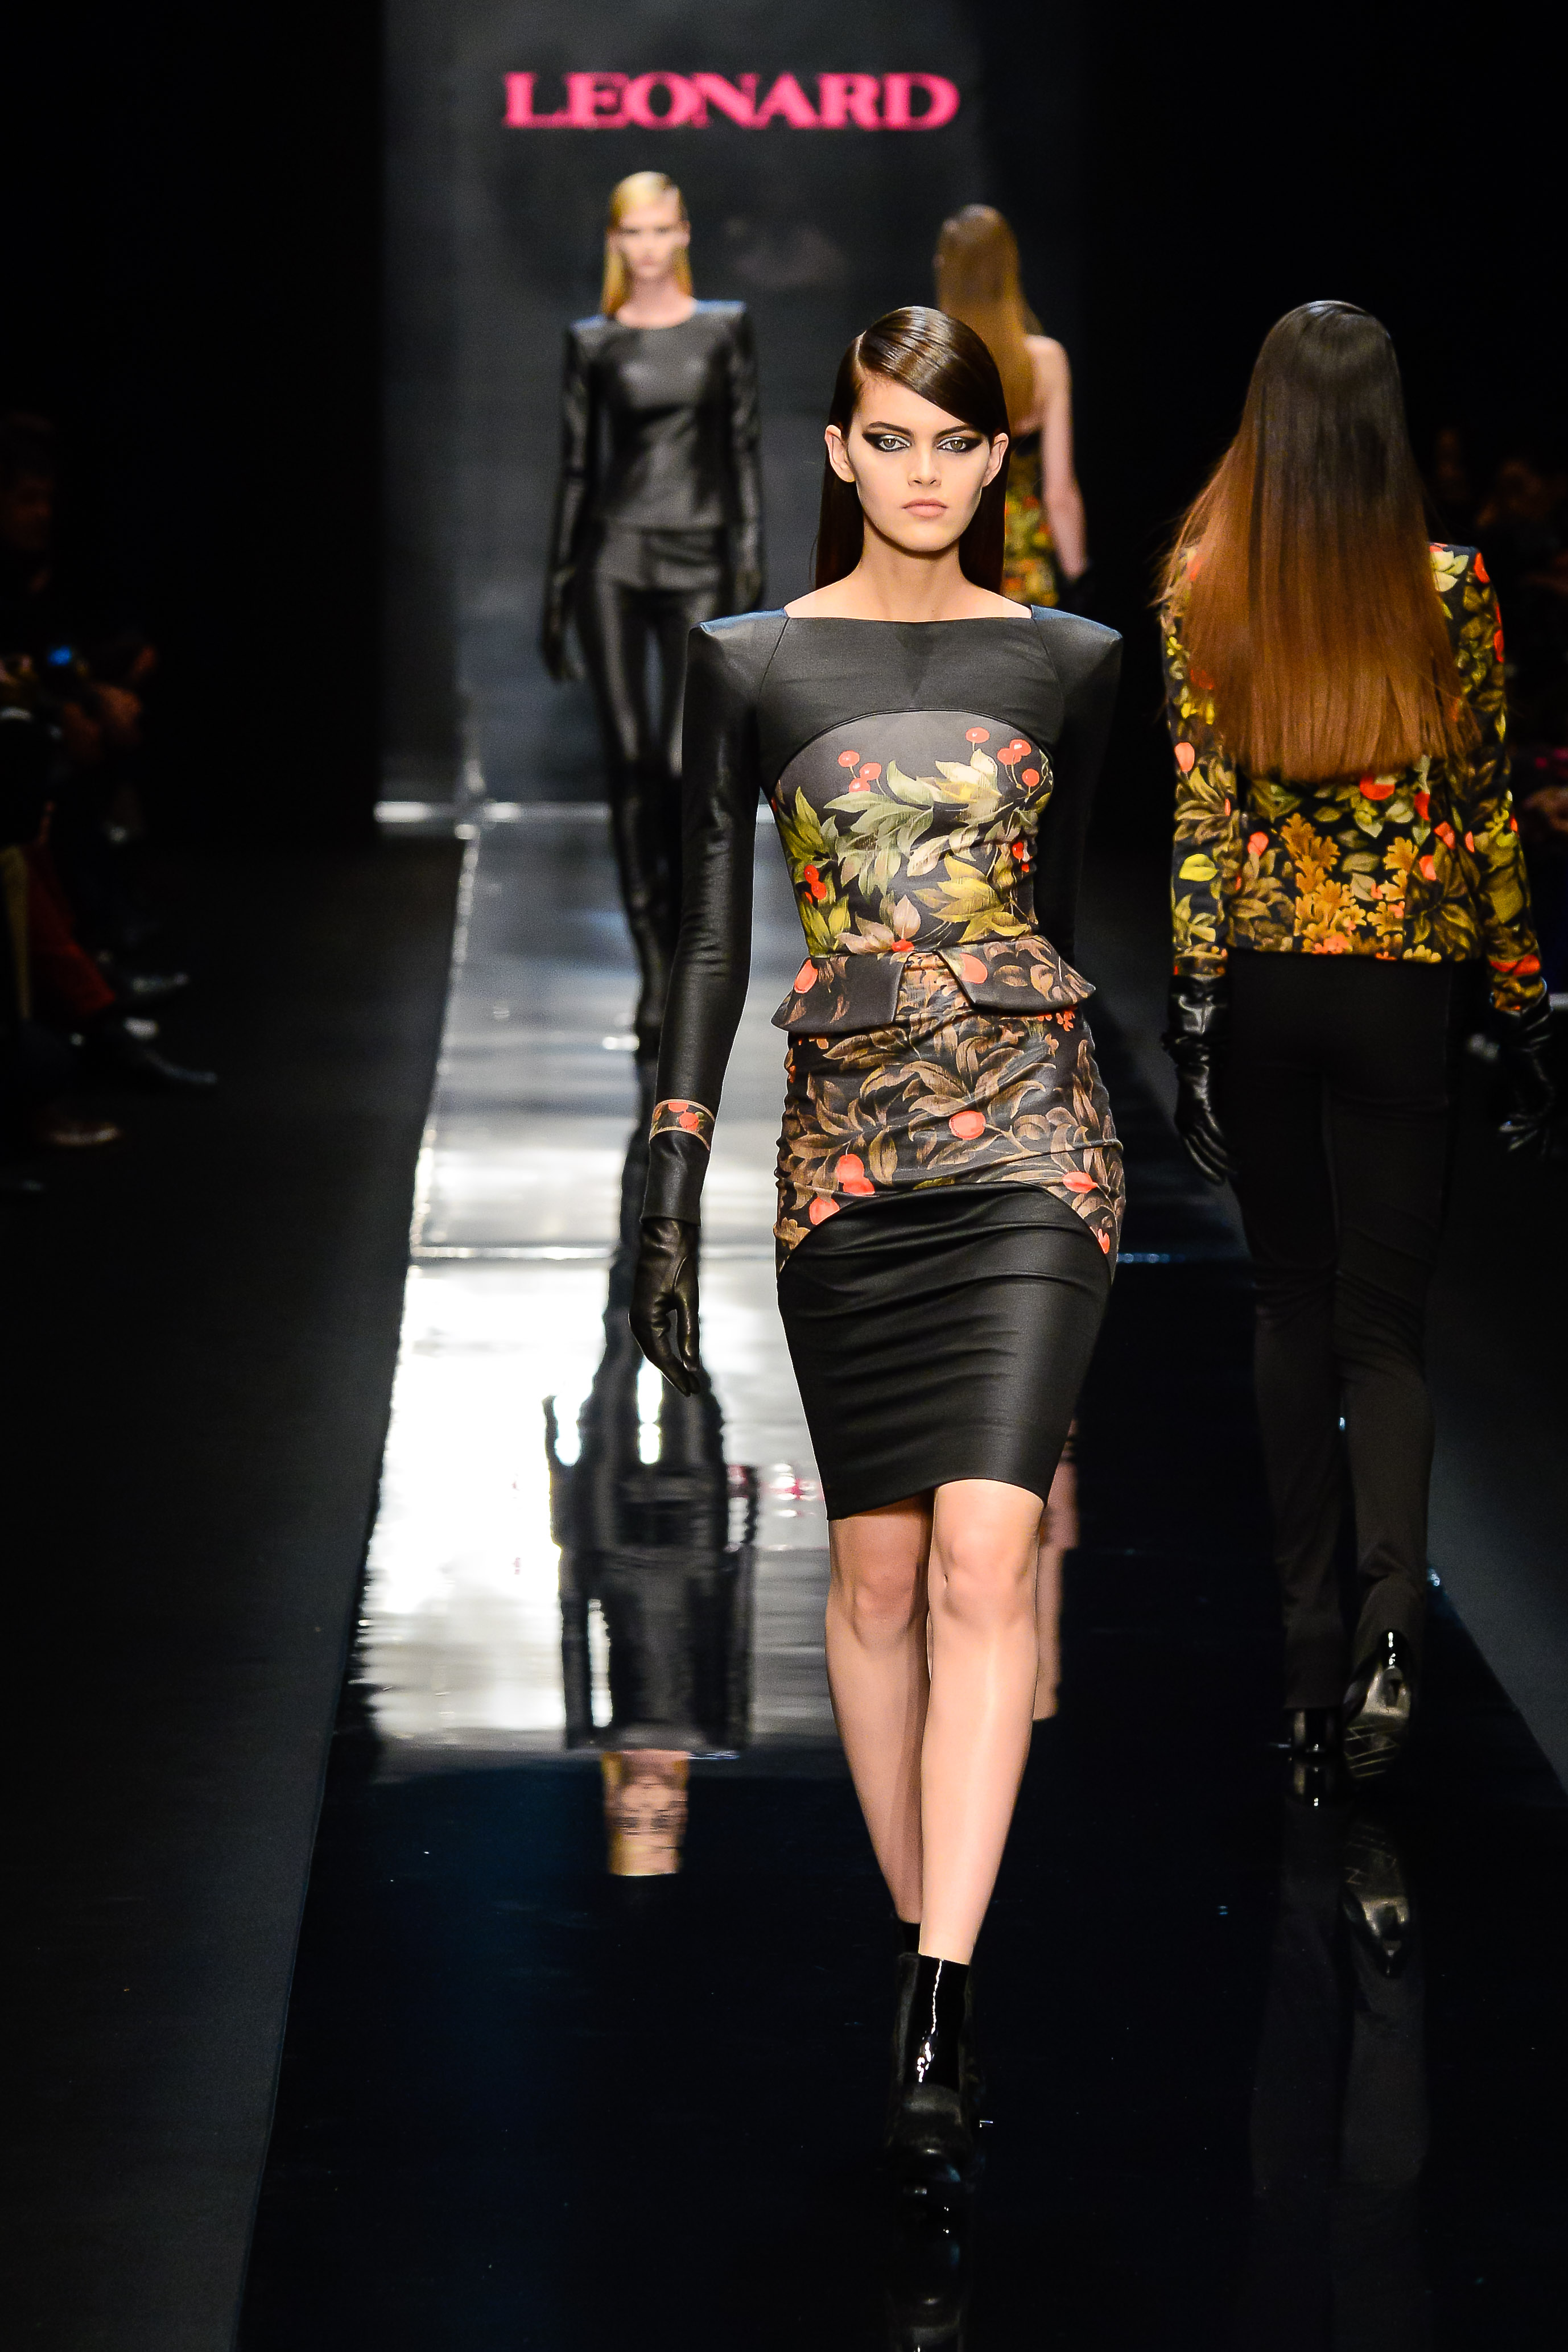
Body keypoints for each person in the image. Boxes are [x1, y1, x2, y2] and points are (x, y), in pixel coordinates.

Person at [630, 307, 1123, 2193]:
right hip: (845, 1162)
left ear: (997, 460)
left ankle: (934, 1997)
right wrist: (667, 1167)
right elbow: (704, 932)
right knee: (876, 1574)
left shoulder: (1068, 660)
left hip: (1032, 1143)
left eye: (955, 442)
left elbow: (1064, 912)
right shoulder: (746, 658)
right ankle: (931, 1933)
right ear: (838, 450)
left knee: (987, 1556)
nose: (924, 471)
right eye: (889, 438)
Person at [1160, 300, 1555, 1791]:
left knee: (1290, 1304)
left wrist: (1193, 1012)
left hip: (1266, 979)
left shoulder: (1206, 581)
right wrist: (1520, 1003)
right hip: (1403, 983)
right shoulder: (1448, 587)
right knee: (1385, 1330)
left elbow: (1200, 816)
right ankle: (1394, 1624)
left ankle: (1310, 1658)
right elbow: (1483, 805)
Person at [541, 172, 764, 1061]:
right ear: (615, 240)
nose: (647, 246)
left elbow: (743, 447)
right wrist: (557, 589)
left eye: (661, 228)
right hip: (613, 558)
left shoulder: (725, 327)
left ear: (684, 233)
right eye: (632, 231)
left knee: (681, 764)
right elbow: (576, 468)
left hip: (701, 553)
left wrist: (749, 562)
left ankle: (683, 952)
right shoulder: (592, 341)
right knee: (630, 759)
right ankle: (649, 965)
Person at [933, 205, 1087, 609]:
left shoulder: (931, 361)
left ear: (946, 269)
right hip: (1023, 567)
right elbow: (1059, 492)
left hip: (949, 558)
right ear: (1009, 270)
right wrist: (1080, 583)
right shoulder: (1046, 362)